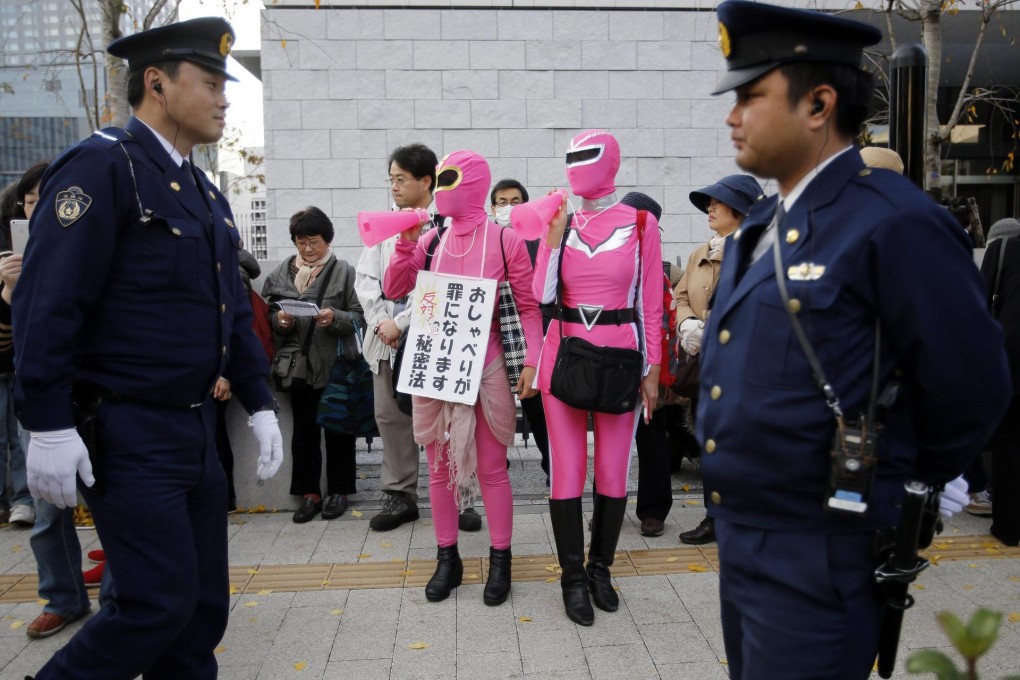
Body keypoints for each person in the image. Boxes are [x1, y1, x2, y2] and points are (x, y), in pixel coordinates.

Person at [699, 3, 1010, 678]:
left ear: (818, 103)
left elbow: (973, 380)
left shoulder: (895, 223)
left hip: (821, 551)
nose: (733, 116)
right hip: (745, 544)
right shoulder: (759, 228)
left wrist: (904, 479)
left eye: (752, 96)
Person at [12, 17, 284, 679]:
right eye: (212, 82)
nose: (225, 98)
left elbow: (227, 313)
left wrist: (258, 400)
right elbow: (47, 301)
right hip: (128, 426)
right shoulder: (104, 166)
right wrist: (45, 421)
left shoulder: (204, 193)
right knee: (151, 604)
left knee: (199, 609)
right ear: (157, 83)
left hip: (194, 428)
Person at [384, 150, 543, 606]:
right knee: (438, 469)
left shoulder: (504, 239)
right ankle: (447, 557)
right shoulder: (432, 239)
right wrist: (404, 242)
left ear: (471, 182)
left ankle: (500, 559)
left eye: (448, 177)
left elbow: (530, 307)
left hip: (488, 364)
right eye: (439, 178)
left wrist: (530, 362)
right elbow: (395, 289)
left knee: (493, 470)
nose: (440, 185)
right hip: (436, 364)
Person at [533, 130, 663, 626]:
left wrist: (651, 371)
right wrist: (552, 235)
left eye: (586, 155)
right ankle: (571, 579)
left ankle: (600, 569)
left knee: (612, 469)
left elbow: (649, 303)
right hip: (563, 355)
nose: (576, 166)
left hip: (622, 359)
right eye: (571, 156)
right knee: (566, 470)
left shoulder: (641, 222)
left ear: (611, 161)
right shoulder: (558, 220)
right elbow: (541, 293)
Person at [673, 174, 763, 546]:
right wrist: (688, 324)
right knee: (711, 443)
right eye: (708, 201)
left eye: (718, 201)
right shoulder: (700, 252)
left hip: (748, 368)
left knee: (748, 445)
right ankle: (715, 517)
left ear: (741, 208)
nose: (710, 207)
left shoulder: (762, 252)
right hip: (707, 366)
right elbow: (679, 296)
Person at [263, 206, 365, 524]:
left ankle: (340, 491)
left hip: (336, 364)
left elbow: (360, 316)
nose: (308, 249)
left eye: (315, 242)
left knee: (339, 430)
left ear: (328, 241)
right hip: (298, 367)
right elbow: (269, 317)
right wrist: (279, 320)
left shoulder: (345, 272)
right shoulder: (280, 275)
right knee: (304, 433)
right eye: (301, 242)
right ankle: (309, 494)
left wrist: (336, 318)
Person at [356, 143, 435, 532]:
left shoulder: (445, 225)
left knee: (446, 415)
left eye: (401, 179)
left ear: (426, 180)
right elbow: (366, 279)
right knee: (389, 415)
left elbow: (437, 287)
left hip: (432, 334)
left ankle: (460, 495)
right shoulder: (384, 225)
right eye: (391, 180)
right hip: (384, 336)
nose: (395, 187)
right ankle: (400, 492)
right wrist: (380, 322)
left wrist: (401, 323)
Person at [490, 178, 551, 485]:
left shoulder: (539, 240)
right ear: (491, 208)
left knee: (537, 408)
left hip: (529, 339)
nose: (508, 208)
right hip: (491, 339)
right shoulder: (487, 240)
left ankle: (553, 468)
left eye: (516, 201)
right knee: (491, 408)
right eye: (502, 202)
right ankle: (493, 466)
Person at [0, 163, 44, 528]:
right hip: (26, 372)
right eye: (30, 202)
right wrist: (11, 289)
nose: (37, 209)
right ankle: (21, 499)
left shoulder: (87, 245)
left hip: (86, 383)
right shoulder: (8, 259)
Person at [981, 217, 1020, 546]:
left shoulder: (1004, 247)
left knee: (1008, 440)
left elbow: (979, 300)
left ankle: (1008, 525)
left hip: (1011, 356)